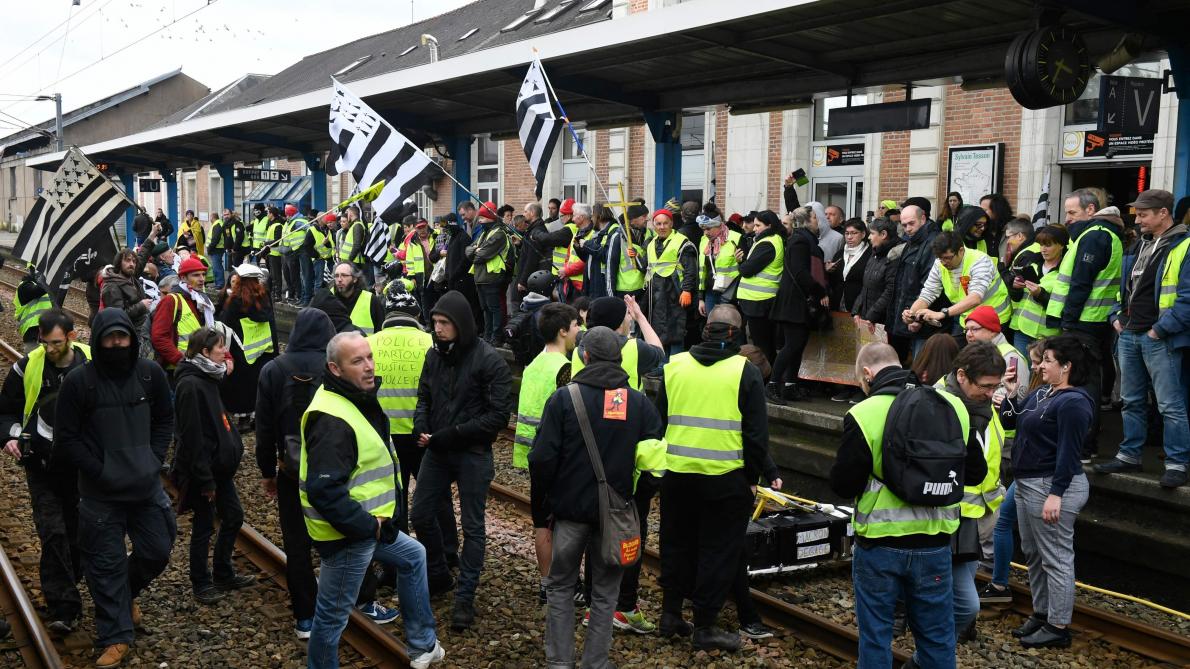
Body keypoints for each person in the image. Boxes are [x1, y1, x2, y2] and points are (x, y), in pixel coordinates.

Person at [829, 342, 988, 669]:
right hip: (935, 544)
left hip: (879, 546)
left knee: (876, 636)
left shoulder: (863, 413)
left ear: (868, 374)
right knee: (937, 636)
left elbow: (843, 484)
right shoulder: (953, 406)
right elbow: (976, 472)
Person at [300, 332, 445, 669]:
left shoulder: (354, 398)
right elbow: (324, 490)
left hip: (368, 527)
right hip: (348, 534)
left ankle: (423, 644)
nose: (368, 367)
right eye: (357, 361)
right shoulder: (332, 418)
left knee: (413, 555)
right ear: (335, 368)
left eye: (369, 357)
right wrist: (366, 526)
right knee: (332, 616)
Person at [529, 326, 666, 669]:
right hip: (615, 516)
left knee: (560, 587)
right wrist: (632, 497)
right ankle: (595, 663)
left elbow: (542, 459)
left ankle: (559, 662)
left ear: (585, 357)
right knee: (605, 594)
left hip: (571, 516)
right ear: (620, 359)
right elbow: (655, 466)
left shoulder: (564, 398)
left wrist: (547, 508)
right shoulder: (638, 403)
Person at [56, 309, 176, 668]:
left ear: (131, 338)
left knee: (157, 550)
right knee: (104, 566)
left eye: (122, 337)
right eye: (109, 338)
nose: (116, 344)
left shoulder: (149, 374)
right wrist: (101, 471)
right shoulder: (79, 382)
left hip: (145, 487)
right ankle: (115, 636)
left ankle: (124, 598)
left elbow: (164, 419)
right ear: (98, 340)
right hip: (100, 494)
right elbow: (67, 439)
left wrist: (153, 458)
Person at [656, 304, 777, 652]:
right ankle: (705, 625)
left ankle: (670, 614)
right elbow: (756, 436)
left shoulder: (674, 366)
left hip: (677, 475)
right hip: (725, 480)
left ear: (706, 327)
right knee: (717, 550)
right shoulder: (745, 372)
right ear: (737, 335)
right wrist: (756, 476)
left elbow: (661, 420)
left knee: (675, 543)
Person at [411, 290, 513, 630]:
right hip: (438, 450)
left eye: (444, 323)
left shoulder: (489, 361)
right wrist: (421, 424)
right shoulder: (433, 355)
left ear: (461, 324)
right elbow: (424, 395)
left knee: (473, 527)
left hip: (471, 452)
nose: (438, 329)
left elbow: (497, 416)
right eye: (435, 322)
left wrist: (450, 433)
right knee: (421, 514)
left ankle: (464, 597)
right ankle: (439, 573)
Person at [999, 335, 1093, 648]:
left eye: (1048, 360)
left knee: (1056, 556)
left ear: (1066, 367)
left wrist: (1057, 493)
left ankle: (1058, 625)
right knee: (1033, 553)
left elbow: (1069, 452)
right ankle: (1042, 613)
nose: (1041, 365)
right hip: (1028, 484)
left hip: (1050, 485)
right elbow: (1010, 422)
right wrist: (1012, 396)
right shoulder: (1042, 393)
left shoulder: (1074, 402)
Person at [0, 310, 89, 634]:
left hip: (82, 468)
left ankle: (72, 577)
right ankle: (63, 607)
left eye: (56, 343)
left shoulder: (91, 364)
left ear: (71, 337)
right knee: (53, 533)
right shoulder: (27, 366)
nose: (49, 350)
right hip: (42, 466)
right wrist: (10, 436)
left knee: (80, 533)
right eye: (44, 343)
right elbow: (6, 410)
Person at [1098, 189, 1190, 488]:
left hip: (1159, 337)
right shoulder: (1140, 245)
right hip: (1131, 333)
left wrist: (1158, 330)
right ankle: (1129, 455)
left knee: (1169, 404)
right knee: (1131, 400)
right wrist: (1116, 316)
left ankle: (1177, 463)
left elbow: (1187, 300)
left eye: (1143, 214)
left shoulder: (1185, 246)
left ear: (1164, 213)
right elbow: (1121, 287)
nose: (1137, 220)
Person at [170, 326, 256, 605]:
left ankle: (222, 572)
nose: (225, 352)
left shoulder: (207, 377)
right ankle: (201, 582)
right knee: (204, 526)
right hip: (203, 471)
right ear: (205, 352)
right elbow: (192, 437)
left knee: (233, 517)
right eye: (220, 348)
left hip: (218, 468)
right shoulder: (191, 385)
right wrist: (205, 480)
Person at [939, 342, 1007, 642]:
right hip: (950, 519)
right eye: (987, 386)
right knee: (965, 603)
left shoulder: (980, 406)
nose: (992, 394)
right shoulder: (940, 405)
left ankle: (941, 647)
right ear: (963, 376)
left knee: (959, 595)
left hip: (977, 514)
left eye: (996, 386)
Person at [1047, 189, 1122, 460]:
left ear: (1091, 211)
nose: (1067, 219)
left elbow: (1080, 282)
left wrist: (1067, 320)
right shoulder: (1101, 234)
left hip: (1083, 323)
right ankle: (1082, 444)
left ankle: (1083, 446)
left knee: (1083, 384)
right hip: (1091, 322)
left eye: (1072, 212)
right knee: (1085, 383)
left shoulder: (1095, 236)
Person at [512, 303, 580, 600]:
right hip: (558, 459)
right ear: (563, 331)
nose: (579, 330)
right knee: (563, 524)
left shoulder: (533, 364)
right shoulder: (564, 368)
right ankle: (564, 585)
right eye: (576, 325)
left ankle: (546, 583)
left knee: (542, 521)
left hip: (532, 455)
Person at [981, 339, 1047, 607]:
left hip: (1039, 473)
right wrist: (1010, 394)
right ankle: (1000, 583)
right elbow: (1013, 419)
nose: (1033, 367)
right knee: (1006, 523)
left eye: (1038, 362)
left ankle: (1045, 606)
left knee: (1038, 541)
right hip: (1026, 472)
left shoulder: (1063, 396)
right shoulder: (1037, 389)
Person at [766, 208, 828, 405]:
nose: (818, 221)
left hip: (793, 301)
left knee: (797, 345)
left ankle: (790, 385)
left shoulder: (799, 238)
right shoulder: (801, 241)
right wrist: (820, 291)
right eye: (815, 218)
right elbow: (800, 273)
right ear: (808, 221)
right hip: (794, 302)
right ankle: (774, 384)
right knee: (792, 344)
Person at [904, 230, 1011, 333]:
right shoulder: (939, 264)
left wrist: (942, 314)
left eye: (948, 258)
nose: (944, 262)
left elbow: (975, 298)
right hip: (967, 319)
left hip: (995, 319)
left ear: (961, 251)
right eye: (940, 258)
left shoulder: (980, 261)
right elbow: (928, 293)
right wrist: (912, 314)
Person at [216, 263, 279, 419]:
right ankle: (258, 415)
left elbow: (225, 325)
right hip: (263, 350)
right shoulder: (264, 297)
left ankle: (243, 417)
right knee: (258, 383)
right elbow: (272, 325)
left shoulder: (235, 301)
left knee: (241, 386)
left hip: (241, 351)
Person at [892, 204, 944, 358]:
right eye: (904, 225)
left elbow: (929, 285)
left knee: (921, 365)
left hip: (923, 317)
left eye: (911, 223)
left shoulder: (931, 243)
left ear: (923, 218)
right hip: (911, 313)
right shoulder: (913, 240)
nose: (907, 228)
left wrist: (918, 318)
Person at [645, 209, 697, 358]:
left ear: (672, 224)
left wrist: (687, 290)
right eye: (658, 224)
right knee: (659, 333)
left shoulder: (683, 243)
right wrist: (635, 258)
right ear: (654, 225)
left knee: (675, 333)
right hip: (657, 295)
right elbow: (647, 267)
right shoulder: (651, 243)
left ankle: (674, 367)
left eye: (665, 223)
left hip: (675, 294)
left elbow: (690, 270)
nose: (662, 227)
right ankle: (661, 367)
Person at [736, 210, 786, 367]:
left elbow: (747, 270)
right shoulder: (770, 240)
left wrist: (741, 262)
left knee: (762, 347)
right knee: (765, 344)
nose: (754, 228)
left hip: (758, 300)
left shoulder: (767, 243)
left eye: (758, 225)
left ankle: (767, 380)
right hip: (759, 299)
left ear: (769, 225)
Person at [152, 256, 216, 374]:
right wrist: (181, 361)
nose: (202, 279)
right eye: (196, 275)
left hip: (202, 366)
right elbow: (159, 337)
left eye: (203, 274)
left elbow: (212, 333)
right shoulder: (171, 300)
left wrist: (227, 357)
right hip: (178, 370)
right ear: (183, 277)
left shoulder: (202, 300)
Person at [1011, 225, 1067, 355]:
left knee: (1042, 374)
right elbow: (1017, 298)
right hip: (1021, 330)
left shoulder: (1066, 271)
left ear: (1061, 245)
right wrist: (1015, 287)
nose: (1043, 249)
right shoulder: (1031, 262)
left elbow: (1064, 305)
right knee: (1020, 371)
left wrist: (1040, 294)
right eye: (1041, 245)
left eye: (1048, 245)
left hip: (1047, 336)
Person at [851, 216, 903, 351]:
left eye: (872, 233)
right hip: (869, 319)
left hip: (885, 323)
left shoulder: (895, 256)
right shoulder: (875, 253)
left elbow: (890, 290)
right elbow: (866, 285)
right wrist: (857, 310)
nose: (869, 237)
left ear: (884, 234)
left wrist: (871, 316)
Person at [465, 201, 511, 343]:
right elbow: (468, 251)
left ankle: (495, 337)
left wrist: (475, 251)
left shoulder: (498, 234)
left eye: (482, 218)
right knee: (486, 309)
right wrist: (475, 251)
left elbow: (481, 256)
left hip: (492, 277)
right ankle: (488, 335)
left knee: (493, 308)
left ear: (490, 218)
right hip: (481, 276)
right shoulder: (485, 233)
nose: (479, 221)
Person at [963, 305, 1031, 399]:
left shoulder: (1012, 358)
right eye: (966, 330)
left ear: (992, 331)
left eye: (974, 329)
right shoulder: (972, 352)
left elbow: (1018, 398)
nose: (968, 334)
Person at [309, 262, 385, 335]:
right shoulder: (325, 299)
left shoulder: (371, 300)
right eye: (336, 276)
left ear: (355, 279)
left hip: (363, 347)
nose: (339, 279)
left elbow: (381, 333)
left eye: (344, 275)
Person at [696, 211, 741, 318]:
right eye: (703, 229)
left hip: (730, 293)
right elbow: (702, 272)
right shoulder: (704, 241)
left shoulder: (736, 238)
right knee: (712, 326)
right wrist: (701, 298)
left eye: (708, 228)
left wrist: (741, 260)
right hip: (711, 292)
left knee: (730, 326)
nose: (706, 233)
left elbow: (745, 266)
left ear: (719, 225)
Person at [604, 200, 650, 300]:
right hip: (624, 292)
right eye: (644, 217)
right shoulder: (618, 237)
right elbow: (610, 268)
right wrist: (611, 297)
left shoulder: (648, 235)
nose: (647, 219)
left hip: (644, 289)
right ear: (633, 219)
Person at [831, 218, 871, 312]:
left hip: (859, 306)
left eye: (854, 233)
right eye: (847, 233)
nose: (849, 237)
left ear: (863, 234)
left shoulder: (870, 254)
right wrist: (828, 270)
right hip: (837, 304)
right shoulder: (839, 254)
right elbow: (834, 280)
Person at [12, 268, 54, 353]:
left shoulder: (42, 286)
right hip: (32, 328)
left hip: (46, 325)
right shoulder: (24, 286)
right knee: (32, 356)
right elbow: (38, 290)